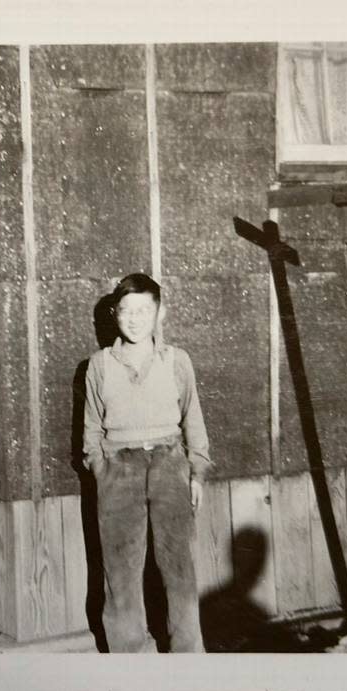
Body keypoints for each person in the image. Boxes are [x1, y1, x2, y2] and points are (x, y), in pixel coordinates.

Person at [83, 272, 211, 653]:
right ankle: (129, 658)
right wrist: (100, 468)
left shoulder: (177, 361)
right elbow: (90, 429)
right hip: (118, 470)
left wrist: (197, 472)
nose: (134, 318)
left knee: (178, 567)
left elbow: (193, 418)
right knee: (120, 571)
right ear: (114, 314)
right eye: (126, 310)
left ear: (160, 313)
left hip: (170, 465)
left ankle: (188, 657)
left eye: (143, 310)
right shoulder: (99, 364)